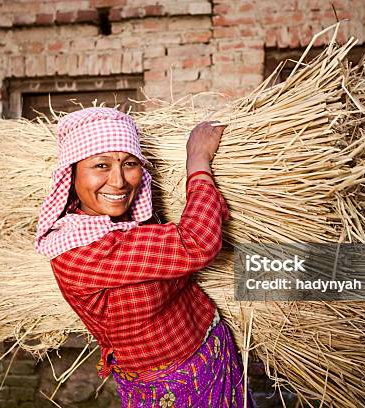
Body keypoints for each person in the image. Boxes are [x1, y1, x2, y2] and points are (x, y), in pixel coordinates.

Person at [35, 107, 253, 407]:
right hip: (172, 389)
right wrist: (198, 160)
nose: (120, 181)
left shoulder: (128, 222)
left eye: (130, 163)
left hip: (213, 352)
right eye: (101, 165)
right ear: (71, 174)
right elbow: (196, 241)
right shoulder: (80, 252)